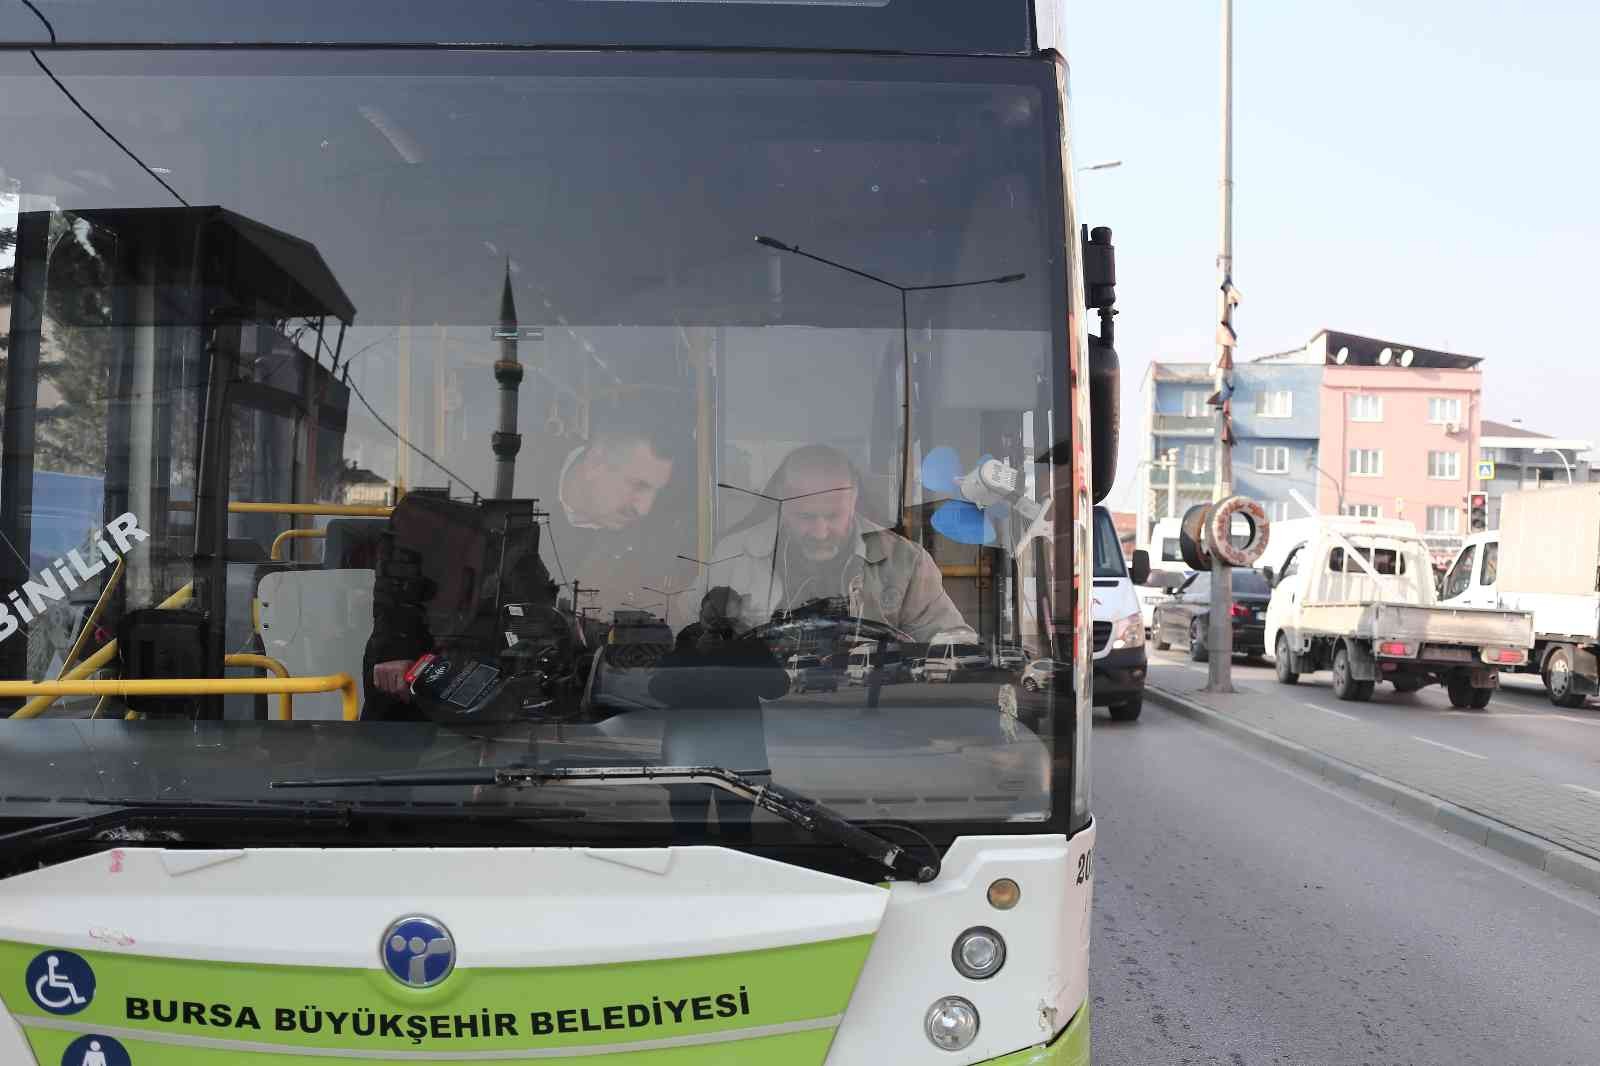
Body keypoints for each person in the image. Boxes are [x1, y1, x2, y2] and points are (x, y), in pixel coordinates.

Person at [676, 444, 974, 643]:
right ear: (781, 504)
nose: (820, 531)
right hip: (761, 719)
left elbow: (951, 643)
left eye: (833, 516)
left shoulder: (906, 563)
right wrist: (711, 630)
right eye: (806, 517)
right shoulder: (733, 556)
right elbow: (683, 634)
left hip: (874, 721)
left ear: (854, 501)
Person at [648, 587, 788, 841]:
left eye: (725, 618)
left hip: (740, 757)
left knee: (737, 835)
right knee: (687, 835)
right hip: (688, 757)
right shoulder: (686, 640)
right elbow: (658, 689)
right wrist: (695, 653)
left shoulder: (749, 643)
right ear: (700, 612)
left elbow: (778, 687)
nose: (716, 625)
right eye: (712, 616)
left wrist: (746, 649)